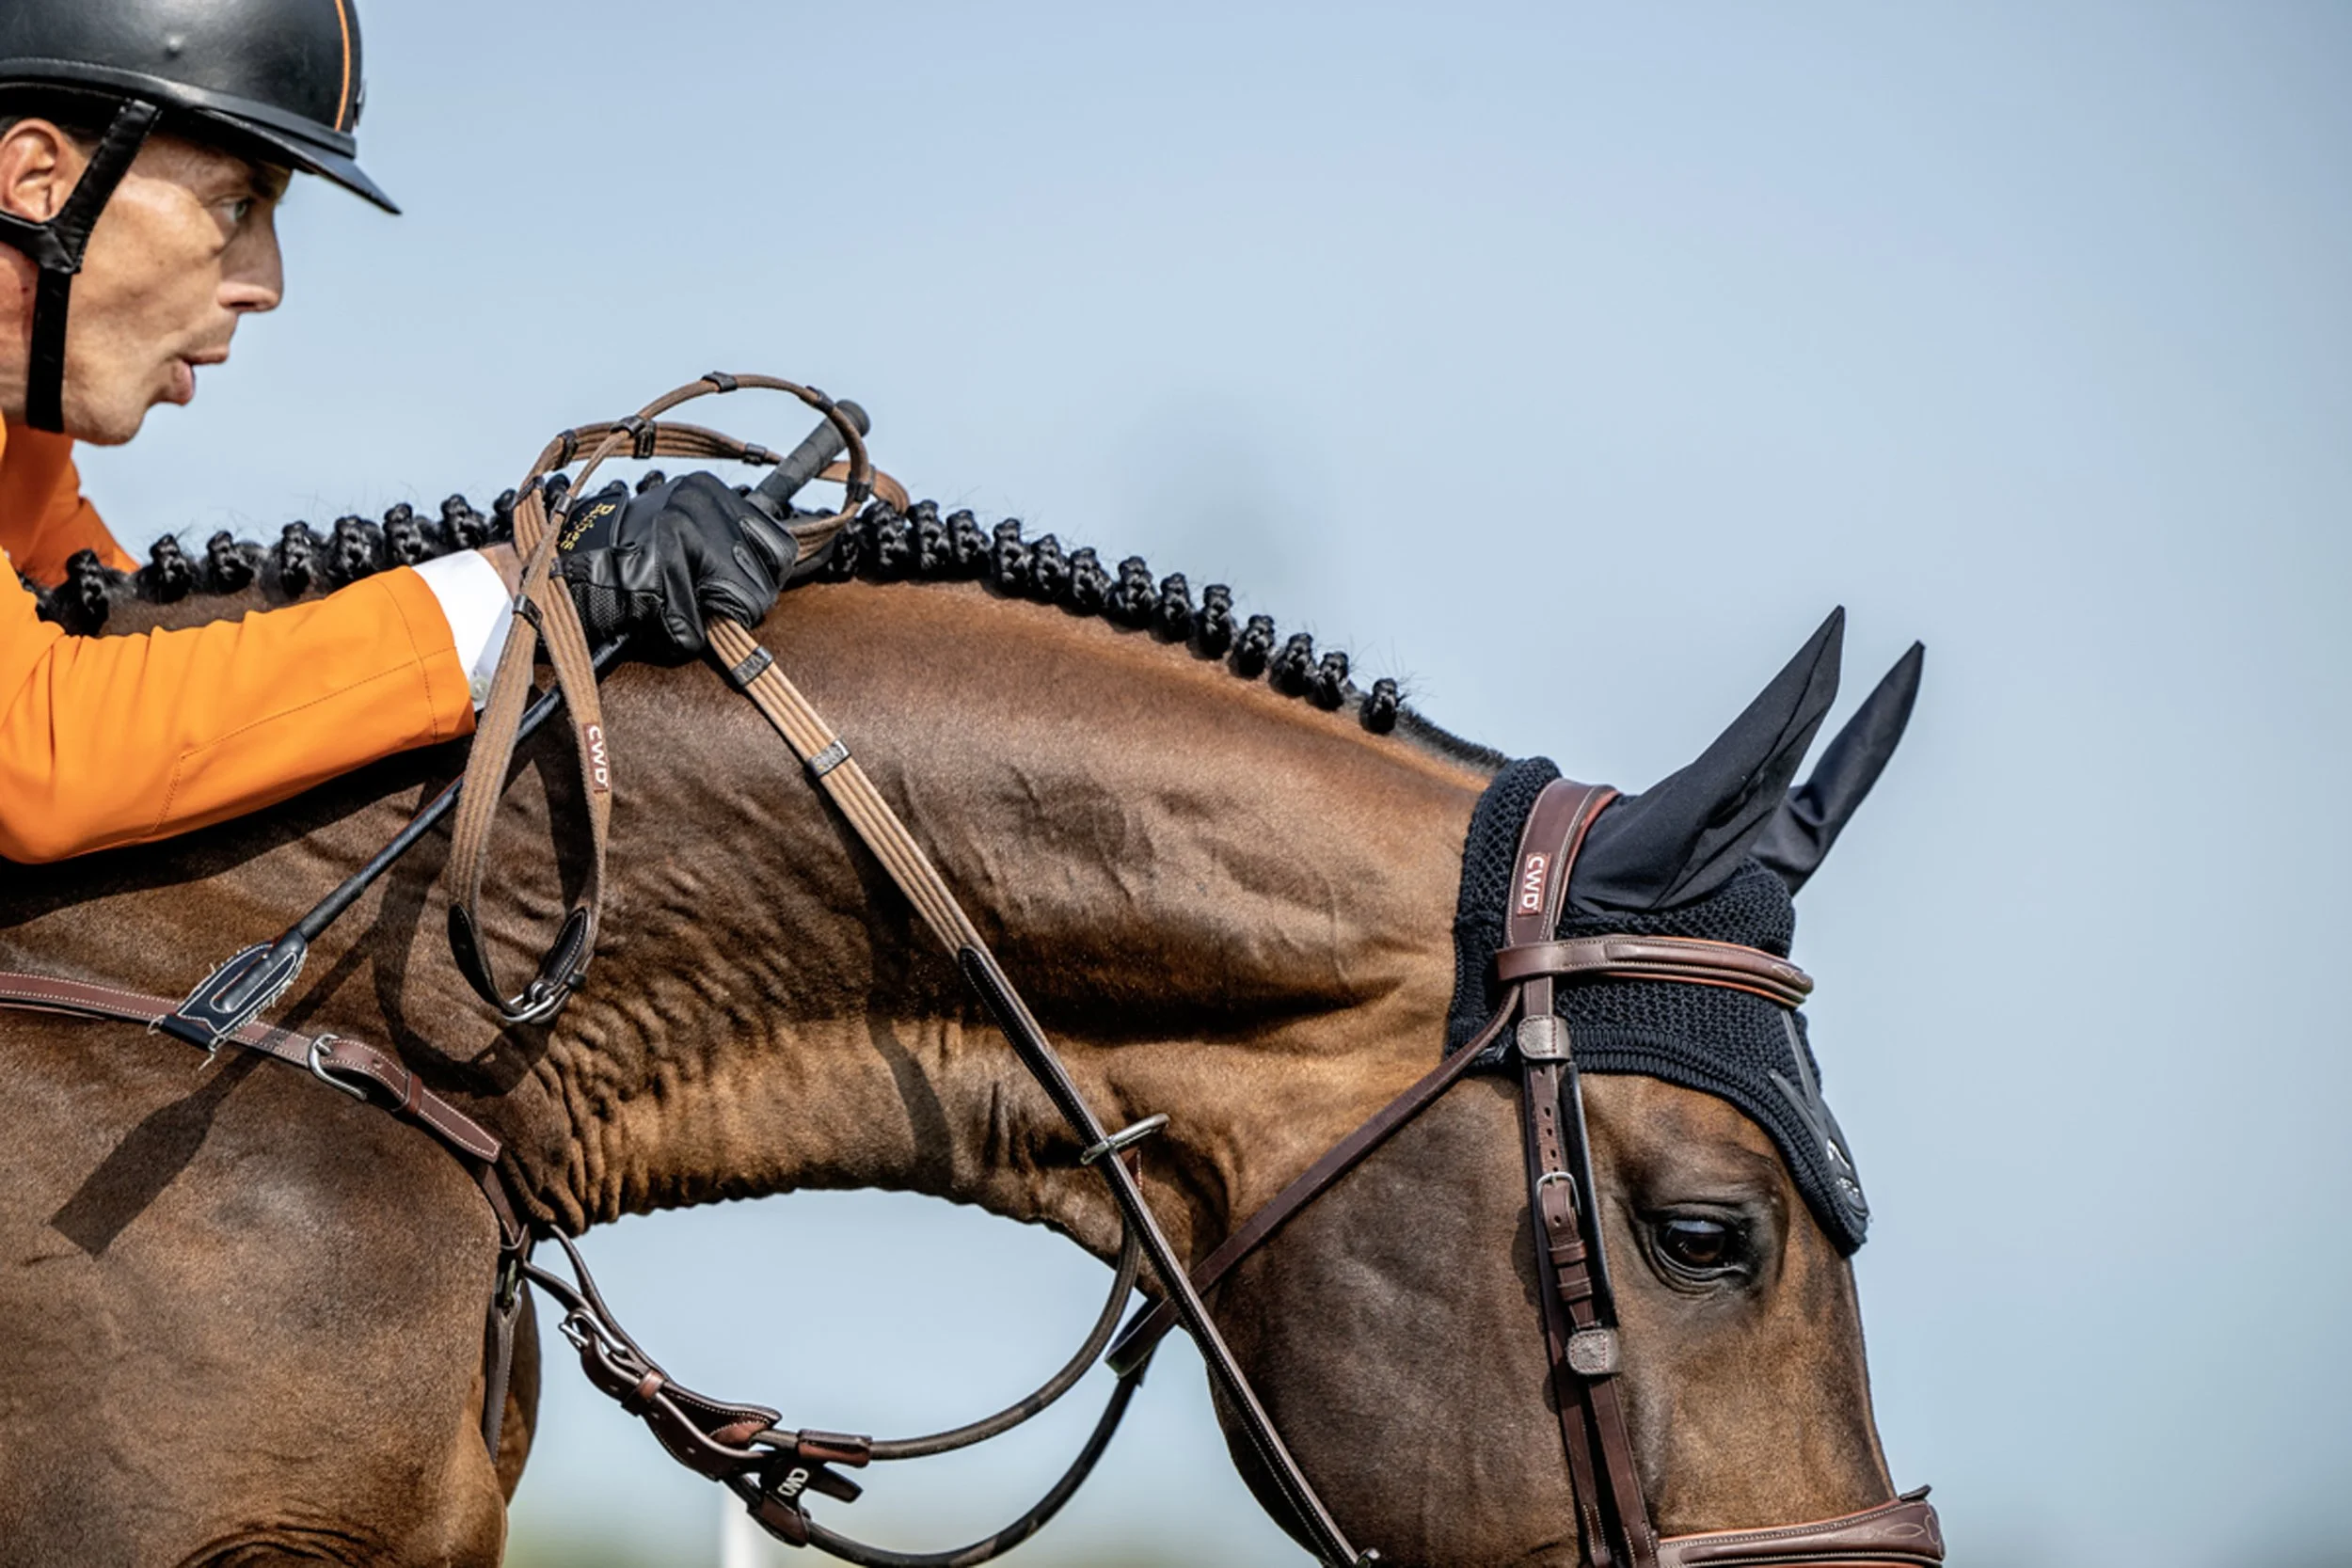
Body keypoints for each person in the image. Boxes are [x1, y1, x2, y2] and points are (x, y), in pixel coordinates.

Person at [0, 0, 793, 865]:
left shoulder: (25, 457)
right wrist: (515, 594)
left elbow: (138, 659)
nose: (267, 283)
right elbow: (36, 758)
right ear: (40, 181)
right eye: (236, 207)